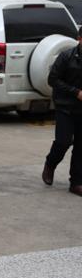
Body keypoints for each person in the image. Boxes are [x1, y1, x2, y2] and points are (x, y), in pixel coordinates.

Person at [42, 25, 82, 197]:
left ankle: (76, 183)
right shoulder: (67, 56)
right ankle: (50, 163)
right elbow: (53, 80)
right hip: (65, 106)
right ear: (79, 39)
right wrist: (76, 92)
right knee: (63, 141)